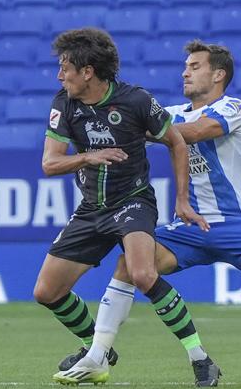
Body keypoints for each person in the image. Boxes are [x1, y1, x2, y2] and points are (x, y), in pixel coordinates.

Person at [63, 40, 241, 386]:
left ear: (218, 74)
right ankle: (97, 354)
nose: (185, 71)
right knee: (130, 267)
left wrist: (136, 129)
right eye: (186, 66)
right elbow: (148, 124)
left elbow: (196, 132)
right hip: (188, 227)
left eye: (194, 66)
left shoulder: (234, 108)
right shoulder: (173, 113)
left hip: (236, 224)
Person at [32, 28, 218, 386]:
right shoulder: (64, 104)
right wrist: (90, 155)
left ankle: (201, 359)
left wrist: (181, 200)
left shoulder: (136, 101)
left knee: (143, 274)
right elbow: (49, 164)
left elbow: (176, 142)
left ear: (87, 71)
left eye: (65, 68)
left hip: (132, 202)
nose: (60, 76)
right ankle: (95, 350)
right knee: (46, 292)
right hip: (91, 210)